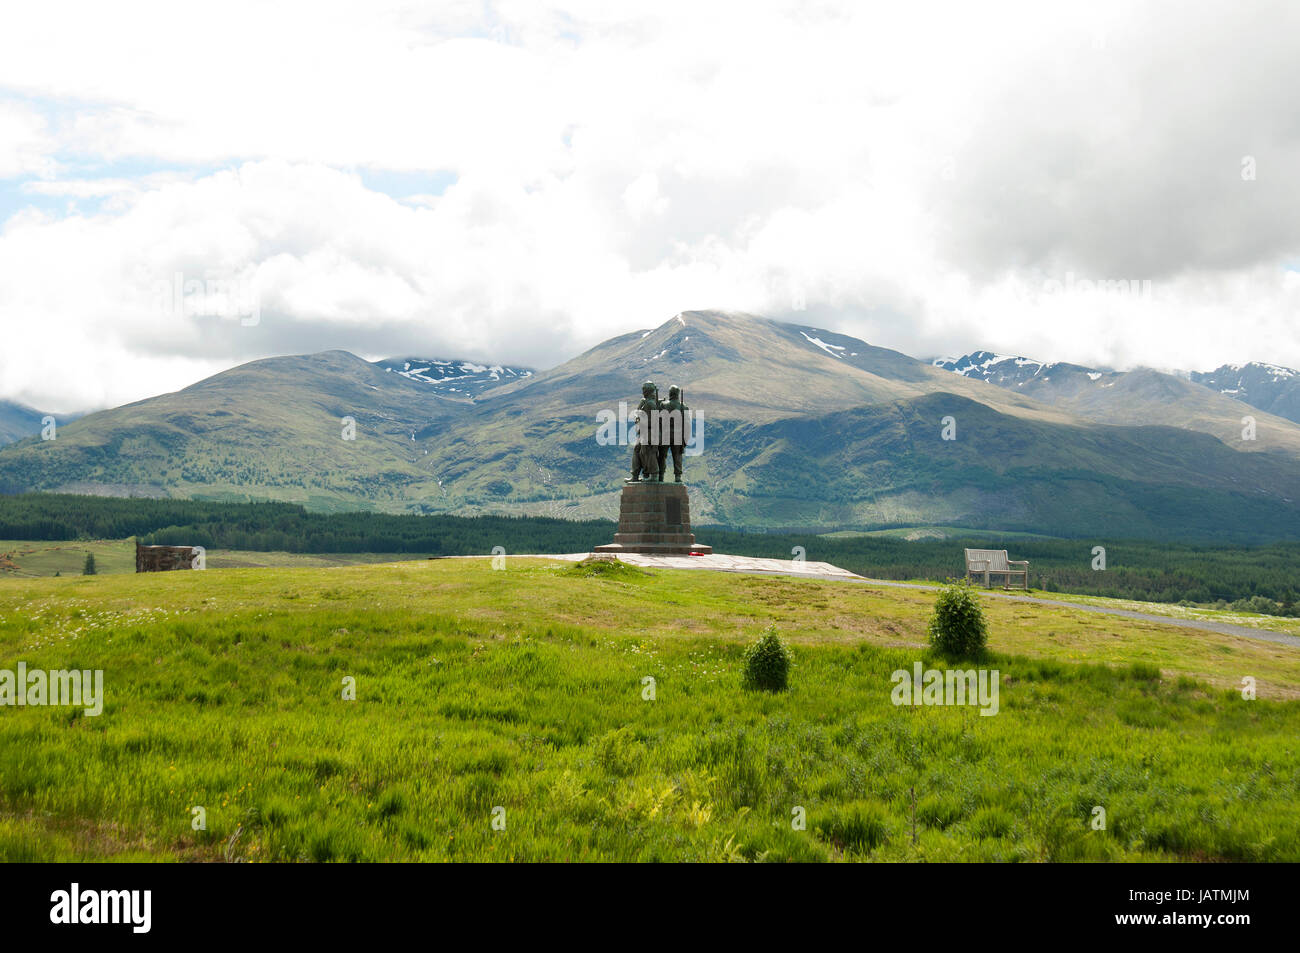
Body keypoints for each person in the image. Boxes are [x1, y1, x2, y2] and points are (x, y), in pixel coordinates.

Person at [628, 380, 661, 482]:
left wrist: (640, 421)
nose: (642, 391)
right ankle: (635, 475)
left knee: (649, 453)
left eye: (644, 389)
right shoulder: (645, 402)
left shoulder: (651, 404)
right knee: (637, 450)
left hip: (650, 433)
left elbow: (654, 421)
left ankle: (654, 475)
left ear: (647, 390)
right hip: (644, 433)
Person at [656, 385, 688, 483]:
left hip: (665, 435)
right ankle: (677, 476)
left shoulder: (664, 405)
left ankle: (660, 475)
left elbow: (658, 420)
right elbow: (686, 425)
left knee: (662, 456)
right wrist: (685, 440)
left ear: (670, 393)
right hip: (678, 436)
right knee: (677, 456)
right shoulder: (683, 406)